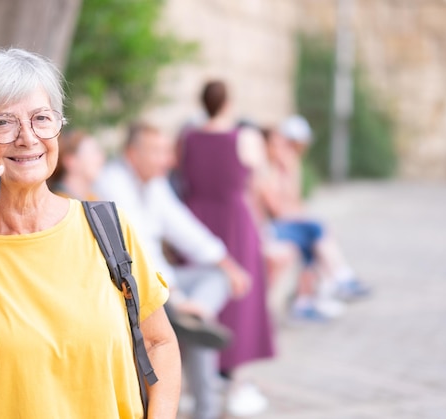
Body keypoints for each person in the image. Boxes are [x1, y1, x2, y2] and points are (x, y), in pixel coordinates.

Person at [0, 47, 180, 418]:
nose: (28, 138)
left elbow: (159, 341)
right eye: (4, 122)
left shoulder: (108, 228)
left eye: (42, 118)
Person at [94, 122, 251, 419]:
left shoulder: (154, 183)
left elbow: (183, 227)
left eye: (167, 151)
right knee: (196, 322)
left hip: (162, 283)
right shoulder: (111, 184)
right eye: (158, 152)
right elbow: (139, 252)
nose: (168, 160)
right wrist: (176, 295)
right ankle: (205, 408)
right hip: (132, 287)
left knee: (213, 283)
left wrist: (227, 263)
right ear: (131, 154)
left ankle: (190, 319)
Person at [177, 80, 275, 417]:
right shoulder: (244, 137)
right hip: (234, 221)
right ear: (228, 102)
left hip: (196, 217)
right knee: (238, 302)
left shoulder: (187, 137)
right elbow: (259, 183)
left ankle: (201, 380)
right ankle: (234, 383)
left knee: (206, 298)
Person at [259, 115, 370, 321]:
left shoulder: (280, 168)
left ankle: (311, 297)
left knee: (312, 236)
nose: (285, 148)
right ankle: (336, 280)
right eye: (279, 144)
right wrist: (288, 170)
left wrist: (289, 170)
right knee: (316, 230)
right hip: (268, 229)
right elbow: (277, 210)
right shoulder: (264, 173)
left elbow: (294, 202)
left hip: (277, 226)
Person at [48, 128, 106, 200]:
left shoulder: (93, 198)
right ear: (70, 161)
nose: (101, 158)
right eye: (93, 153)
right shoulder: (58, 203)